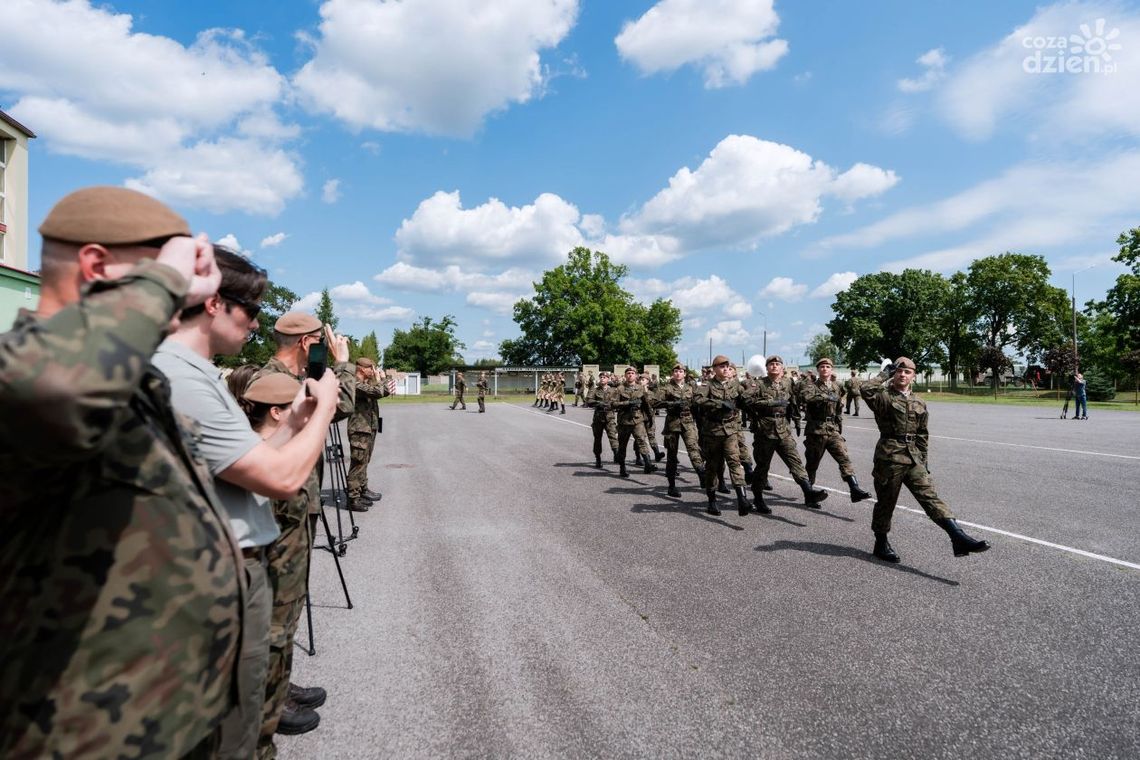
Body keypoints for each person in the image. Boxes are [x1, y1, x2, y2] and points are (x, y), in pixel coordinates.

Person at [0, 186, 244, 758]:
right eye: (165, 272)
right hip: (79, 733)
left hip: (163, 718)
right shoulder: (29, 373)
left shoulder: (130, 378)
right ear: (97, 266)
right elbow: (63, 389)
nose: (181, 291)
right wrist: (162, 282)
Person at [154, 246, 342, 758]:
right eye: (252, 311)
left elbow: (247, 460)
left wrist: (298, 424)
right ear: (215, 304)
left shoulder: (197, 373)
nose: (257, 325)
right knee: (234, 738)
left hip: (236, 567)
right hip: (221, 573)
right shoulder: (181, 378)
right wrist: (324, 409)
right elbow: (278, 478)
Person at [250, 312, 356, 742]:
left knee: (288, 607)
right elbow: (342, 406)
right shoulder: (275, 382)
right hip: (281, 509)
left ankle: (279, 686)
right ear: (306, 342)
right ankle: (265, 706)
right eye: (318, 343)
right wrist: (342, 361)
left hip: (298, 505)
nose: (322, 348)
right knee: (275, 609)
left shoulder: (291, 377)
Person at [860, 358, 991, 563]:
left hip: (913, 458)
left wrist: (924, 462)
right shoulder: (883, 397)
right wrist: (884, 373)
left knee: (930, 497)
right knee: (886, 503)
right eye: (899, 371)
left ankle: (958, 536)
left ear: (913, 376)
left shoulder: (919, 402)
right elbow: (865, 389)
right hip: (890, 458)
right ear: (894, 374)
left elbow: (922, 434)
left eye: (907, 372)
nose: (903, 375)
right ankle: (881, 543)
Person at [743, 355, 828, 513]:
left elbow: (795, 401)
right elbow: (745, 400)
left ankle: (808, 492)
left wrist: (796, 419)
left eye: (777, 364)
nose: (774, 366)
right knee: (762, 467)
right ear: (767, 368)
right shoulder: (759, 384)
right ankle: (758, 498)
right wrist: (768, 404)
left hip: (783, 429)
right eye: (771, 364)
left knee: (795, 462)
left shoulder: (788, 383)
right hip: (765, 431)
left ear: (782, 368)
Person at [798, 357, 873, 502]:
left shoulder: (837, 387)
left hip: (832, 429)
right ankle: (809, 495)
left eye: (827, 366)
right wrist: (825, 397)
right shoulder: (810, 386)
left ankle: (854, 489)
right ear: (818, 370)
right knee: (812, 465)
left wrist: (839, 426)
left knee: (844, 458)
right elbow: (806, 398)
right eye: (822, 367)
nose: (825, 369)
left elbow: (839, 408)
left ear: (831, 370)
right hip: (816, 430)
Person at [693, 355, 750, 516]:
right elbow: (697, 400)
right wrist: (718, 404)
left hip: (731, 430)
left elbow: (744, 398)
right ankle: (711, 501)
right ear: (715, 369)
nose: (725, 369)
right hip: (712, 431)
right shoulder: (707, 385)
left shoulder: (734, 385)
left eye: (727, 366)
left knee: (734, 462)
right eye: (721, 367)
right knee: (713, 466)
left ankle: (742, 499)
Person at [347, 357, 392, 510]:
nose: (373, 371)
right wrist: (382, 379)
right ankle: (353, 497)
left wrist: (379, 379)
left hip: (369, 427)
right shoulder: (355, 383)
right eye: (370, 368)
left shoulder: (366, 383)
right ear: (361, 369)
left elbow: (383, 391)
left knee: (365, 461)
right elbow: (379, 392)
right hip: (359, 429)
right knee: (358, 462)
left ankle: (362, 489)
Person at [655, 362, 706, 497]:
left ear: (684, 374)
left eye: (681, 371)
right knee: (672, 455)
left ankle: (701, 473)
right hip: (672, 423)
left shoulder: (691, 387)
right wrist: (672, 403)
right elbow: (655, 402)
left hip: (688, 422)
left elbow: (697, 404)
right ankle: (671, 486)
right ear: (673, 373)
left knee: (694, 448)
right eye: (676, 371)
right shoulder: (666, 388)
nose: (678, 373)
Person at [613, 365, 657, 477]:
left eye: (632, 373)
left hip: (638, 420)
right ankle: (622, 468)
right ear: (625, 375)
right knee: (622, 445)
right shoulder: (620, 389)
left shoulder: (640, 388)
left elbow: (646, 404)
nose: (630, 375)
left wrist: (650, 418)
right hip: (624, 421)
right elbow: (613, 404)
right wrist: (627, 403)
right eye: (628, 373)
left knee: (642, 441)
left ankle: (648, 463)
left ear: (636, 375)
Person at [586, 370, 616, 467]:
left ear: (608, 379)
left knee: (613, 437)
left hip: (609, 418)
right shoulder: (595, 390)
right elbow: (589, 401)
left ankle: (617, 455)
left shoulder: (613, 390)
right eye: (601, 377)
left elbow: (617, 401)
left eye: (604, 377)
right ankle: (598, 459)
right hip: (598, 418)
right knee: (597, 439)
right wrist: (598, 403)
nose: (602, 379)